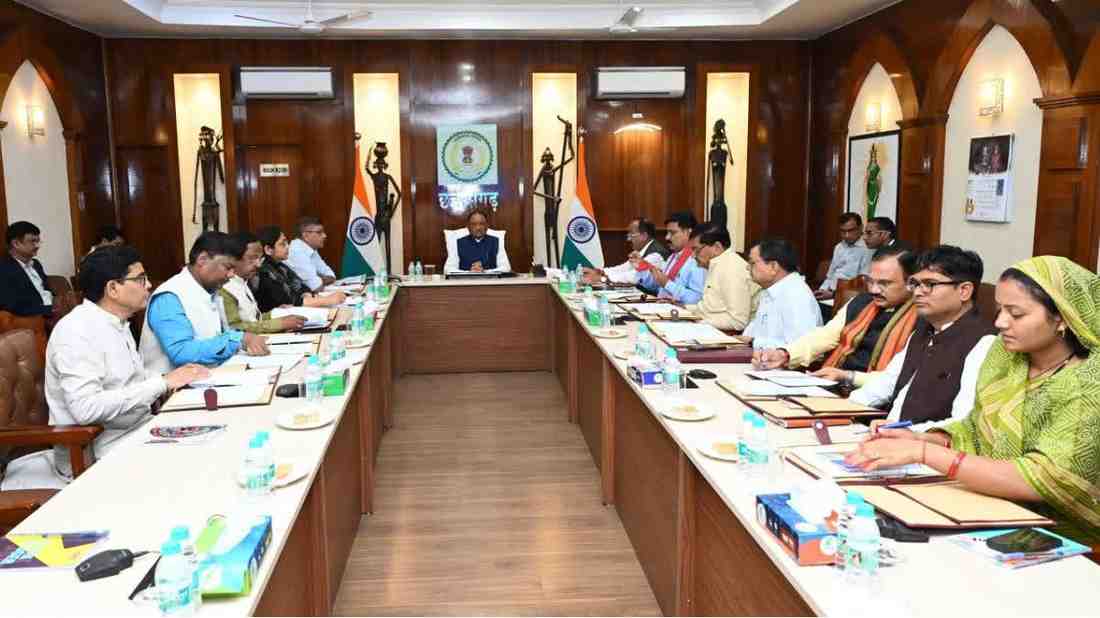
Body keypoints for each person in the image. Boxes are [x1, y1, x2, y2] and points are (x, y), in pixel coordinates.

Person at [846, 256, 1100, 545]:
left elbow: (1045, 479)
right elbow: (974, 429)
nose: (1000, 322)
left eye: (1016, 314)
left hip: (1067, 535)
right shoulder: (1006, 357)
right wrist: (925, 439)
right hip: (988, 507)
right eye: (1000, 309)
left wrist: (924, 453)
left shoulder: (1090, 383)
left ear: (1062, 318)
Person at [0, 247, 209, 490]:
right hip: (95, 450)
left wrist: (174, 377)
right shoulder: (77, 332)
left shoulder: (117, 322)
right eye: (140, 279)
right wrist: (161, 383)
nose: (149, 285)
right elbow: (86, 409)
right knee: (196, 470)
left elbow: (128, 380)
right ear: (112, 288)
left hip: (135, 430)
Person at [842, 246, 997, 430]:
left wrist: (903, 431)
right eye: (915, 284)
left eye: (930, 284)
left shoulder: (984, 342)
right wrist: (839, 410)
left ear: (964, 290)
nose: (917, 292)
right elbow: (886, 383)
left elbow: (963, 423)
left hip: (925, 442)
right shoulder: (923, 330)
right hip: (885, 434)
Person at [754, 246, 918, 385]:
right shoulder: (861, 302)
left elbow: (900, 379)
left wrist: (848, 376)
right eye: (870, 281)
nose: (874, 290)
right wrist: (784, 354)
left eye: (885, 283)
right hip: (835, 384)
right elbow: (826, 336)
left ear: (911, 282)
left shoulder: (922, 318)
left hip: (875, 397)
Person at [140, 231, 269, 373]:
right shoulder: (169, 296)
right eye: (227, 267)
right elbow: (181, 352)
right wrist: (237, 339)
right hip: (172, 385)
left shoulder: (209, 291)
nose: (231, 275)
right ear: (202, 259)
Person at [219, 231, 307, 334]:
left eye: (260, 258)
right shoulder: (225, 287)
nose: (258, 265)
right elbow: (235, 328)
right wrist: (279, 324)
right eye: (252, 258)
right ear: (233, 259)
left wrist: (275, 314)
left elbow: (254, 319)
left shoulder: (243, 282)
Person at [743, 238, 822, 349]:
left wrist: (753, 342)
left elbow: (799, 347)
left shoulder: (796, 295)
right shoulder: (771, 290)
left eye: (752, 263)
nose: (747, 268)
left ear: (773, 267)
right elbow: (753, 331)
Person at [254, 226, 346, 313]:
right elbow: (288, 301)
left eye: (287, 242)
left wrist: (305, 293)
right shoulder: (264, 272)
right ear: (268, 249)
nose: (288, 246)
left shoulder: (280, 265)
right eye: (282, 244)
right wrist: (328, 300)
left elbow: (301, 285)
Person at [687, 222, 759, 332]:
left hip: (731, 335)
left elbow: (738, 321)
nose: (693, 256)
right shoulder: (716, 264)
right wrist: (684, 309)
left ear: (717, 247)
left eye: (696, 250)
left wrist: (700, 323)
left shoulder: (732, 268)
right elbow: (710, 307)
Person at [632, 211, 705, 304]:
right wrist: (642, 268)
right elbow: (660, 288)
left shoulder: (697, 259)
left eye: (672, 233)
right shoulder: (673, 257)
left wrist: (667, 284)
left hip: (680, 311)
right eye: (667, 232)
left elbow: (696, 299)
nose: (667, 237)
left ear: (687, 232)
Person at [581, 217, 669, 287]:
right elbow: (623, 268)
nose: (628, 239)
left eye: (631, 234)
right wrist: (600, 272)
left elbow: (633, 277)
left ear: (644, 236)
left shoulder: (656, 254)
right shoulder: (640, 251)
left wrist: (601, 278)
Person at [0, 221, 54, 318]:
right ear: (16, 243)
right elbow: (12, 307)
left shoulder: (36, 264)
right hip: (32, 319)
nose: (37, 246)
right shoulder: (3, 269)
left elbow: (48, 292)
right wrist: (50, 310)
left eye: (38, 241)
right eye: (33, 241)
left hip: (52, 314)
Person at [816, 212, 873, 299]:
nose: (847, 235)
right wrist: (822, 290)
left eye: (851, 230)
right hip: (829, 292)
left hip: (847, 295)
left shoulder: (868, 248)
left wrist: (834, 294)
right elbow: (830, 276)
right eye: (843, 231)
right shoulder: (839, 247)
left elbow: (862, 282)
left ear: (861, 228)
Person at [287, 216, 337, 292]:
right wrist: (319, 279)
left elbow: (331, 275)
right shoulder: (296, 251)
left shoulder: (311, 248)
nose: (324, 236)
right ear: (305, 236)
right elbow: (316, 287)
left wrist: (318, 278)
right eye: (319, 232)